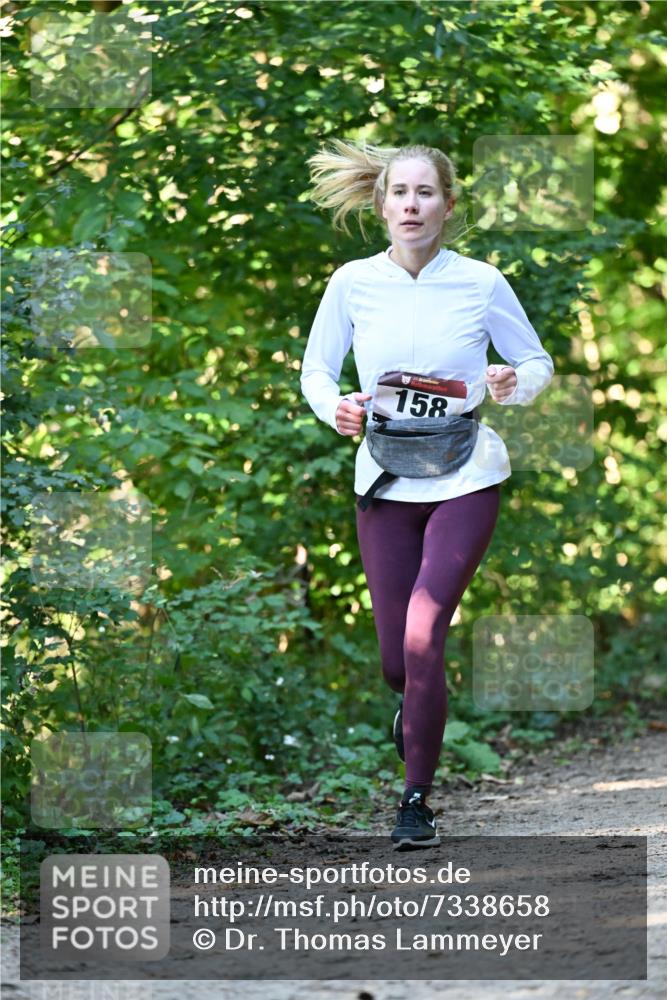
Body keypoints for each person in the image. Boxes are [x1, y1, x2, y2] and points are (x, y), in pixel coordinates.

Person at [300, 139, 554, 848]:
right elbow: (316, 372)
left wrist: (513, 382)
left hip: (465, 472)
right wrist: (337, 409)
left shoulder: (479, 281)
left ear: (447, 203)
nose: (411, 205)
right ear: (380, 205)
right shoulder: (351, 282)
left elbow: (534, 360)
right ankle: (413, 707)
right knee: (397, 661)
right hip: (384, 476)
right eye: (399, 193)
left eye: (425, 193)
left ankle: (415, 801)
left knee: (423, 631)